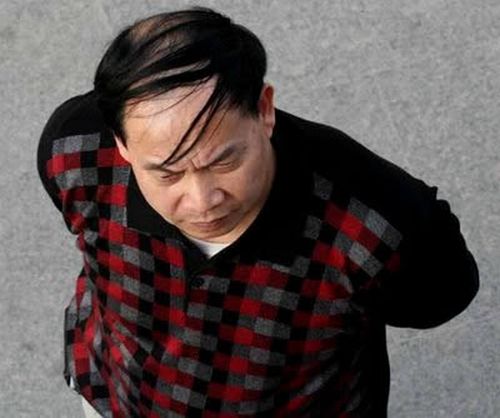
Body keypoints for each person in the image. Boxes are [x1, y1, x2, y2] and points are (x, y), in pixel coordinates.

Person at [36, 6, 480, 418]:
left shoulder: (378, 225)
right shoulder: (74, 154)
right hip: (115, 398)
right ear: (122, 144)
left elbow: (441, 296)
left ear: (264, 110)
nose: (202, 201)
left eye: (224, 161)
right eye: (168, 174)